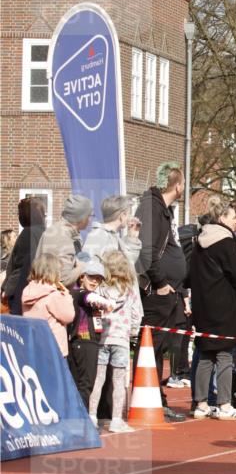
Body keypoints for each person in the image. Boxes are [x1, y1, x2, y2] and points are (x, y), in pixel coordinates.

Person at [189, 196, 236, 421]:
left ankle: (201, 403)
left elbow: (191, 274)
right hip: (225, 304)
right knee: (225, 353)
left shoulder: (199, 240)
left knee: (205, 352)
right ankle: (225, 404)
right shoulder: (226, 241)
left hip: (203, 304)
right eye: (234, 217)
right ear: (223, 217)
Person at [134, 169, 188, 422]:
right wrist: (160, 282)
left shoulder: (163, 210)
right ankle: (151, 400)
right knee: (152, 346)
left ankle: (156, 398)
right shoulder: (152, 207)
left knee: (161, 346)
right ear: (177, 185)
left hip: (169, 291)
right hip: (156, 291)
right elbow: (147, 250)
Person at [87, 250, 143, 432]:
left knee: (98, 378)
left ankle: (92, 415)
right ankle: (116, 420)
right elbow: (136, 313)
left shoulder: (100, 289)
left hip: (102, 337)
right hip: (121, 338)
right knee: (119, 380)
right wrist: (133, 330)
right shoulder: (129, 289)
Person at [68, 256, 115, 409]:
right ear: (82, 277)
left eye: (98, 279)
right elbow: (89, 298)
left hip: (85, 343)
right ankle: (81, 422)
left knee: (81, 384)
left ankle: (77, 420)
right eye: (91, 277)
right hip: (83, 342)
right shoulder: (79, 293)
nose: (95, 281)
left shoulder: (82, 293)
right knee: (85, 385)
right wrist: (106, 303)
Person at [21, 254, 75, 357]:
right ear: (53, 272)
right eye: (59, 271)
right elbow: (69, 316)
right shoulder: (53, 296)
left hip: (35, 345)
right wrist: (66, 295)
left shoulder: (28, 290)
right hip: (53, 347)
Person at [1, 197, 46, 314]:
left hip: (20, 291)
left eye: (19, 213)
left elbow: (22, 266)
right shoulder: (43, 232)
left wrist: (7, 289)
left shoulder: (28, 233)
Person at [36, 194, 93, 286]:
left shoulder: (63, 231)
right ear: (81, 218)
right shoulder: (62, 237)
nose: (91, 219)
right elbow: (62, 280)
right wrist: (82, 266)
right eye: (90, 215)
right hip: (54, 297)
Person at [83, 194, 141, 265]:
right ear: (122, 216)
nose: (130, 218)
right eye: (129, 214)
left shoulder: (113, 236)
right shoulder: (98, 235)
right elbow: (87, 267)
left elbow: (127, 265)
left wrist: (132, 237)